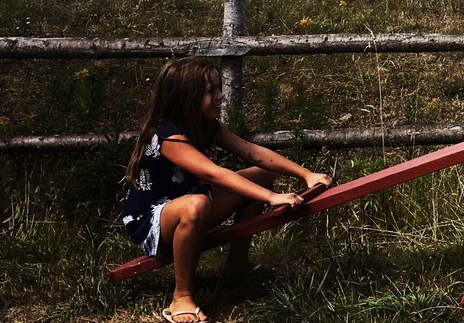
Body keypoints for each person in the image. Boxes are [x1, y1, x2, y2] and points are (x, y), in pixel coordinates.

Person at [123, 58, 333, 323]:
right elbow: (213, 173)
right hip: (154, 221)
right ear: (186, 97)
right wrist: (271, 198)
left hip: (194, 202)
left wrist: (306, 174)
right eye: (211, 91)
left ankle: (237, 265)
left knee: (261, 176)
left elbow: (251, 151)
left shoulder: (206, 125)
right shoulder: (167, 136)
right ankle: (182, 297)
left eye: (218, 88)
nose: (221, 97)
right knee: (196, 203)